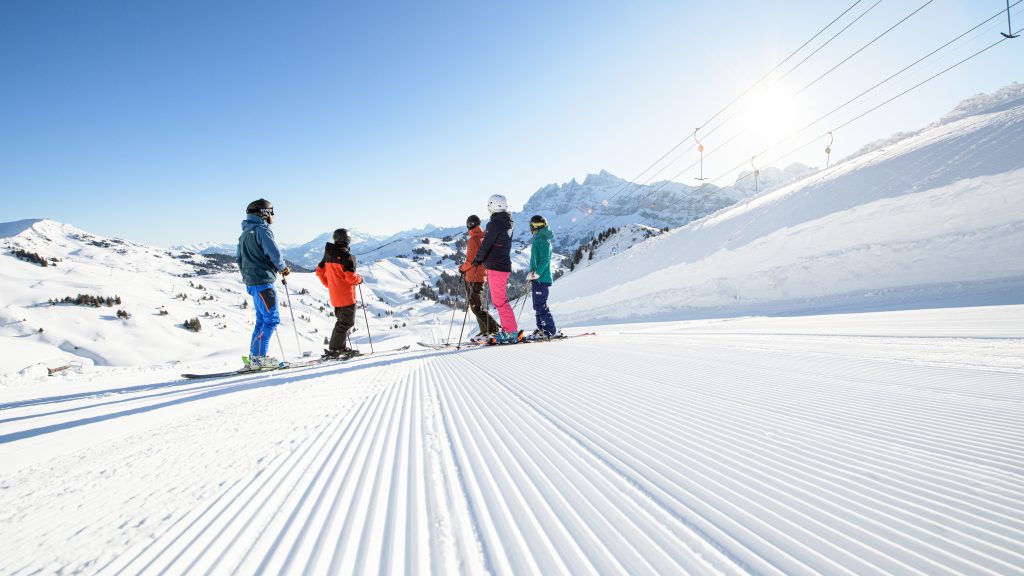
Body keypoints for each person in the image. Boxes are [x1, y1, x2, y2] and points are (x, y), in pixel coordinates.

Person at [237, 198, 290, 367]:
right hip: (263, 282)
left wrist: (247, 276)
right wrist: (283, 268)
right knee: (272, 320)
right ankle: (259, 358)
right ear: (264, 213)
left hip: (252, 282)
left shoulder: (244, 233)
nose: (272, 216)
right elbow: (274, 253)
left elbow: (239, 259)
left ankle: (254, 357)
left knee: (261, 320)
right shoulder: (262, 230)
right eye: (271, 212)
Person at [472, 194, 523, 343]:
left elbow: (486, 245)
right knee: (500, 300)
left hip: (496, 266)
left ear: (492, 207)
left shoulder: (494, 224)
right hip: (502, 265)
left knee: (500, 301)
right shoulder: (507, 221)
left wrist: (478, 260)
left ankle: (510, 332)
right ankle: (509, 330)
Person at [316, 228, 364, 359]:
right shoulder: (348, 257)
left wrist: (329, 284)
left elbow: (319, 271)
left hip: (335, 296)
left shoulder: (328, 255)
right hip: (347, 296)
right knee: (346, 323)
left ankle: (339, 347)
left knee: (341, 323)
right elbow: (350, 278)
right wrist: (360, 279)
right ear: (348, 240)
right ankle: (335, 349)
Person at [458, 214, 500, 340]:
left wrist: (462, 268)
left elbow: (470, 261)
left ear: (468, 226)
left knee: (476, 307)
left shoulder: (473, 240)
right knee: (476, 305)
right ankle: (485, 331)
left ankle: (492, 329)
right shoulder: (484, 238)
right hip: (481, 275)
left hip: (473, 276)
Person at [527, 214, 559, 339]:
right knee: (537, 305)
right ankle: (542, 328)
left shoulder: (544, 241)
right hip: (537, 278)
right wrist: (533, 273)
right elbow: (536, 260)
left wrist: (537, 273)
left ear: (534, 227)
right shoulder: (539, 239)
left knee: (540, 305)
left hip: (541, 278)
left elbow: (545, 260)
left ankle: (550, 330)